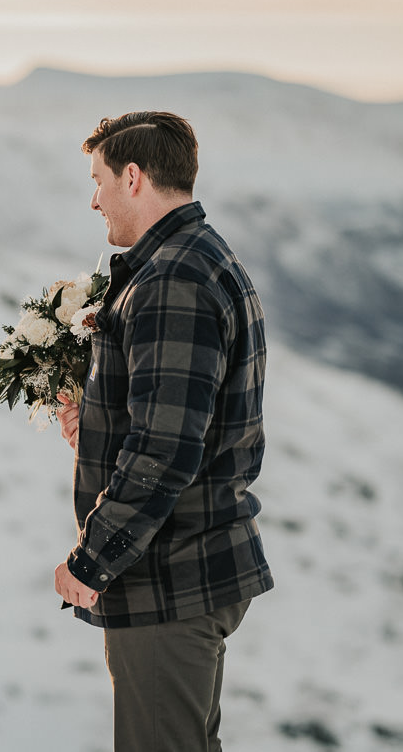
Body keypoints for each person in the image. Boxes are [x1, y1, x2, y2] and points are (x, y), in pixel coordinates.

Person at [54, 112, 274, 752]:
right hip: (190, 564)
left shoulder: (172, 279)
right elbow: (176, 422)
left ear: (132, 176)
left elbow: (166, 449)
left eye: (98, 179)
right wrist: (95, 423)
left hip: (169, 576)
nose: (92, 197)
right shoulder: (196, 257)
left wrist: (92, 560)